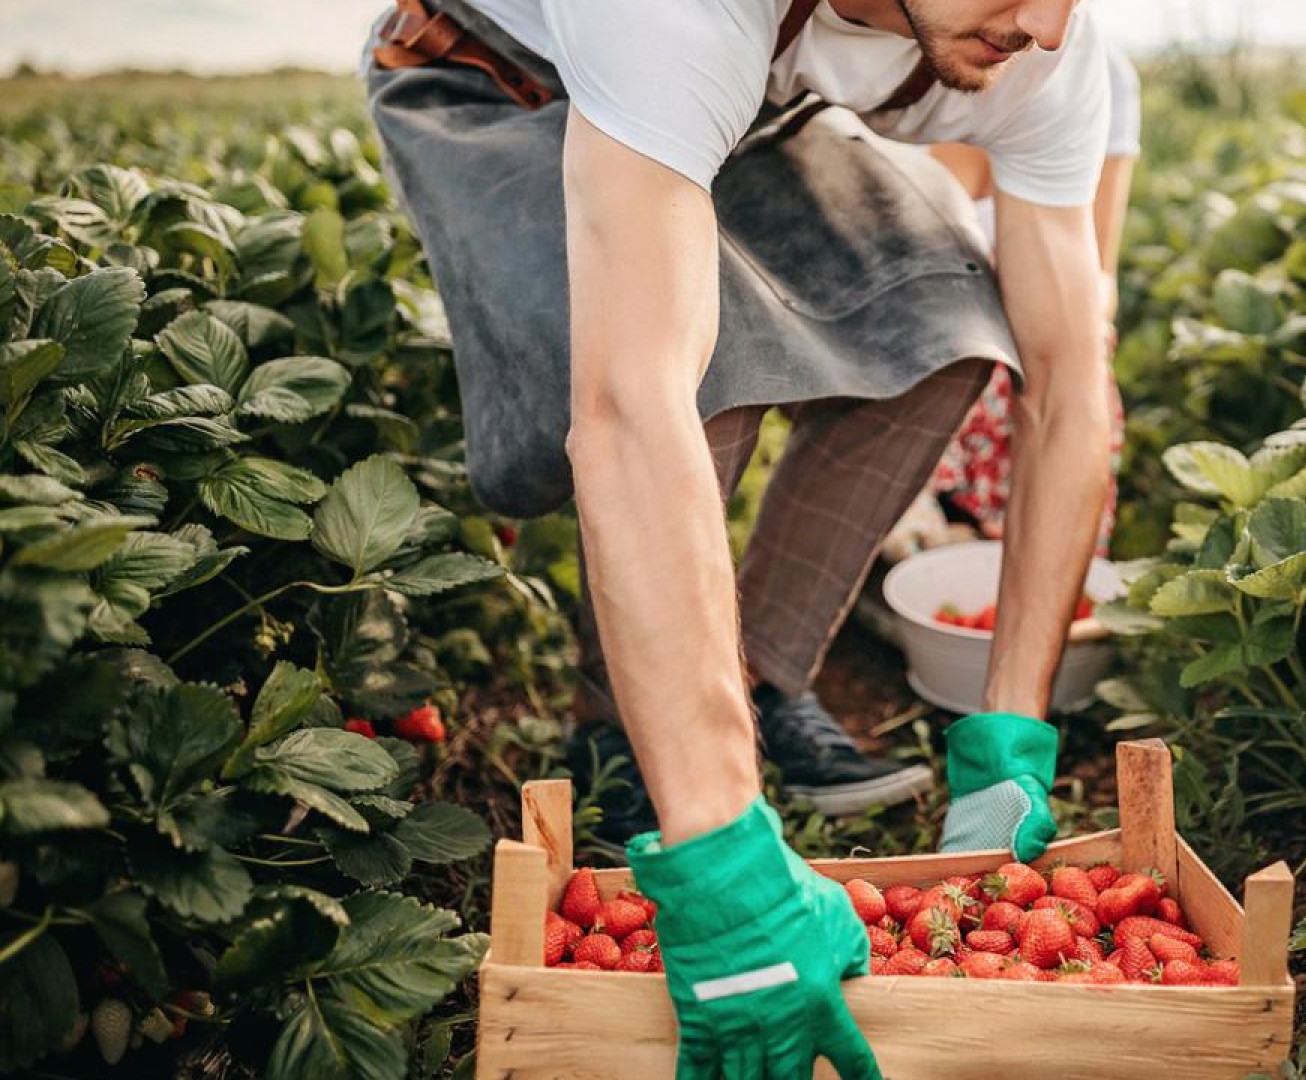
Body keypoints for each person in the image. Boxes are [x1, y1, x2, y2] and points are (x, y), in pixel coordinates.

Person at [359, 1, 1112, 1076]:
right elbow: (630, 404)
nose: (1044, 23)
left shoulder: (1037, 46)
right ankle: (634, 735)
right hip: (494, 80)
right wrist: (724, 866)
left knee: (947, 324)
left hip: (740, 102)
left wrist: (1015, 723)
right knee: (689, 360)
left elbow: (1072, 383)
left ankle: (750, 686)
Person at [888, 38, 1138, 561]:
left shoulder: (1099, 72)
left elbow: (1101, 278)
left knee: (1076, 367)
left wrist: (1057, 314)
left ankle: (1033, 546)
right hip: (906, 357)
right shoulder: (895, 70)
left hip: (1022, 364)